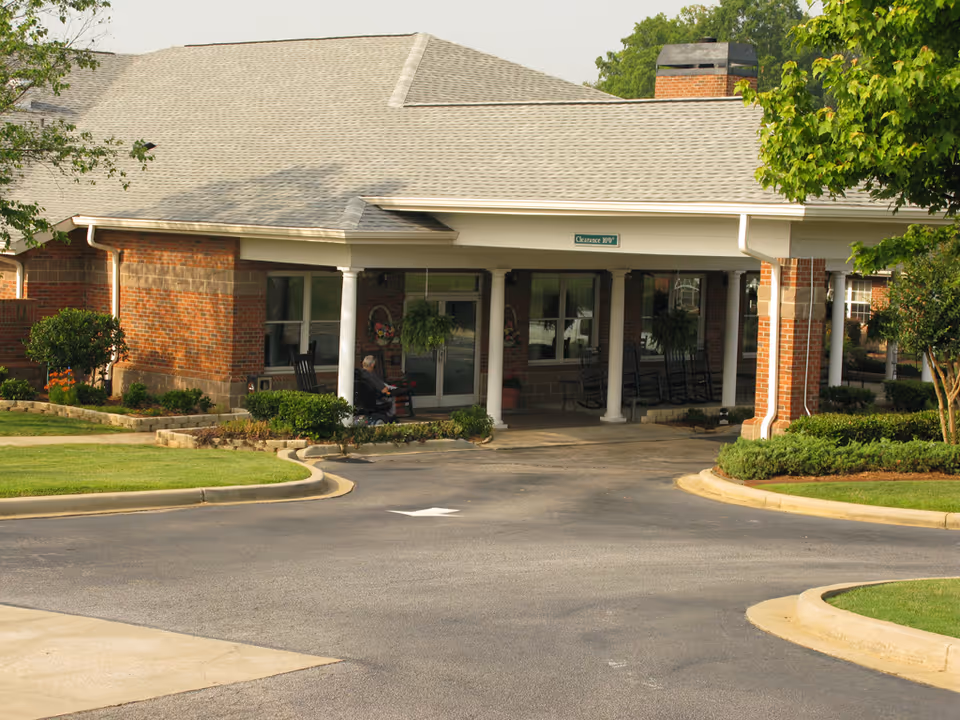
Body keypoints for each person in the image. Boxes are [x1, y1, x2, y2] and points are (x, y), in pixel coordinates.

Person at [360, 355, 396, 420]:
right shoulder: (369, 376)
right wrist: (383, 391)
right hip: (376, 400)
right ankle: (390, 417)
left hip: (364, 400)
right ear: (372, 364)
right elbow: (379, 388)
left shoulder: (361, 375)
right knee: (392, 397)